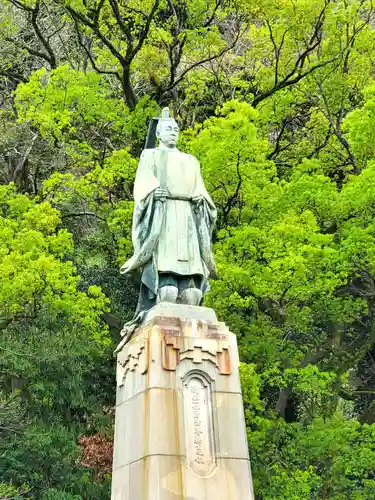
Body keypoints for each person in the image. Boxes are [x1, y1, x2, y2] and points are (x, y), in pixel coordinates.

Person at [117, 107, 217, 347]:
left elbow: (202, 191)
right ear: (159, 132)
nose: (172, 132)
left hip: (188, 220)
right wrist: (154, 192)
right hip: (164, 218)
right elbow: (143, 185)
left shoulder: (190, 161)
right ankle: (164, 287)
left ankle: (191, 289)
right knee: (168, 291)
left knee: (192, 294)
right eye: (168, 129)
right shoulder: (149, 156)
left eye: (175, 129)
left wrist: (200, 200)